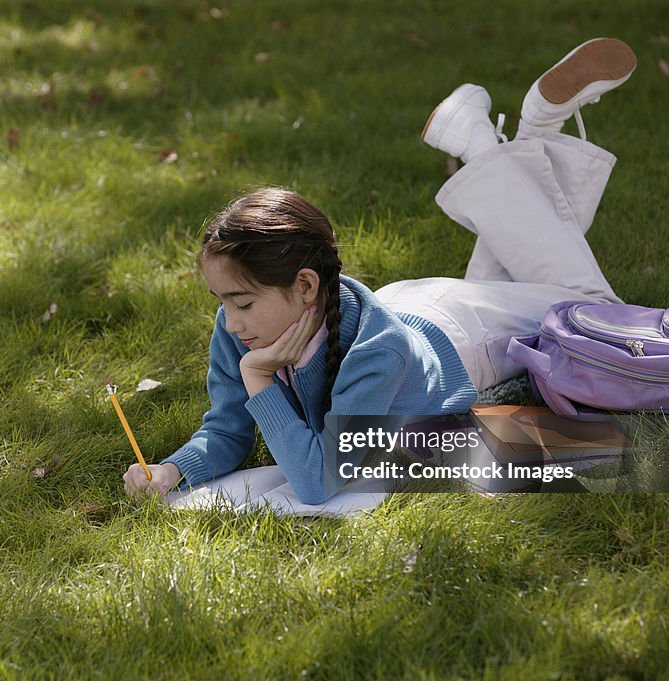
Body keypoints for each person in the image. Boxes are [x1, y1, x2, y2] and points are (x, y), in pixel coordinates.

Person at [123, 37, 638, 504]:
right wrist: (172, 470)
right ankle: (522, 138)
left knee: (599, 313)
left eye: (243, 303)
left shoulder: (375, 355)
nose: (230, 323)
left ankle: (498, 143)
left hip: (462, 338)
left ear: (304, 285)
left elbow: (319, 482)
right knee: (536, 272)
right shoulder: (244, 324)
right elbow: (228, 431)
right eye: (223, 303)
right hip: (405, 307)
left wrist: (258, 379)